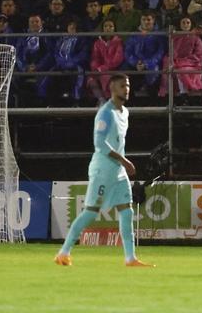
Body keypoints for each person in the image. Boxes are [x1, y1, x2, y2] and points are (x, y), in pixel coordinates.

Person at [54, 73, 152, 268]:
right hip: (102, 170)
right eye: (122, 86)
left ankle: (130, 258)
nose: (126, 89)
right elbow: (99, 143)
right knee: (90, 213)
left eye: (128, 85)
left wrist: (122, 164)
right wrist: (124, 161)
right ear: (112, 89)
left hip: (118, 171)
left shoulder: (125, 112)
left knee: (126, 211)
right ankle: (63, 253)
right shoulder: (105, 113)